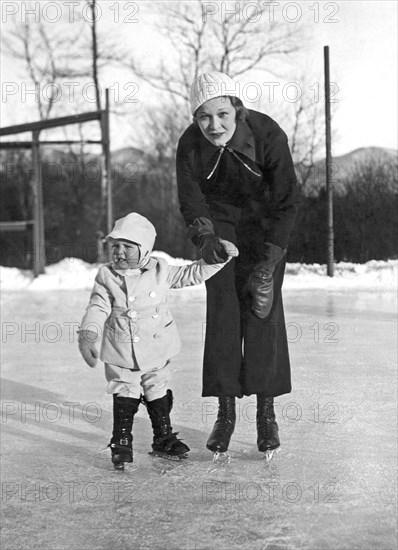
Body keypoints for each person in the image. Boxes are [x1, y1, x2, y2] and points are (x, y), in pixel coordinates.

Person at [176, 72, 299, 458]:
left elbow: (288, 200)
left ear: (237, 109)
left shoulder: (267, 133)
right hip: (221, 225)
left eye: (222, 114)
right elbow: (191, 201)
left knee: (262, 309)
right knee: (224, 309)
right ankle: (225, 414)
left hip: (265, 226)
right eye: (204, 118)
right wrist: (206, 239)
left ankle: (266, 414)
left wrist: (270, 259)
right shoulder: (189, 145)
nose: (215, 125)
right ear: (195, 119)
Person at [78, 212, 238, 469]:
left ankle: (162, 437)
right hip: (122, 346)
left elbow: (191, 274)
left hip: (156, 344)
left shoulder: (160, 269)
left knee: (158, 388)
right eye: (115, 246)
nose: (118, 252)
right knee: (124, 389)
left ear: (143, 249)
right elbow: (98, 306)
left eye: (127, 247)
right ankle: (121, 440)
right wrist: (89, 333)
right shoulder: (106, 276)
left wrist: (217, 259)